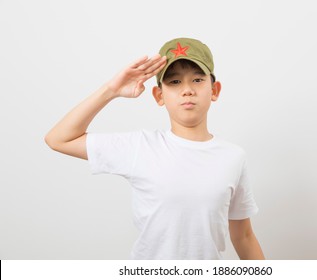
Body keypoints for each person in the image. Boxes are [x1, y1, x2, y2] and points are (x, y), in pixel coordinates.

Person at [45, 37, 265, 260]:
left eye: (197, 80)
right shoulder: (140, 147)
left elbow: (244, 236)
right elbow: (59, 139)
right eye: (175, 82)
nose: (187, 90)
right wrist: (110, 90)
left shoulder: (233, 157)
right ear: (159, 95)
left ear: (214, 90)